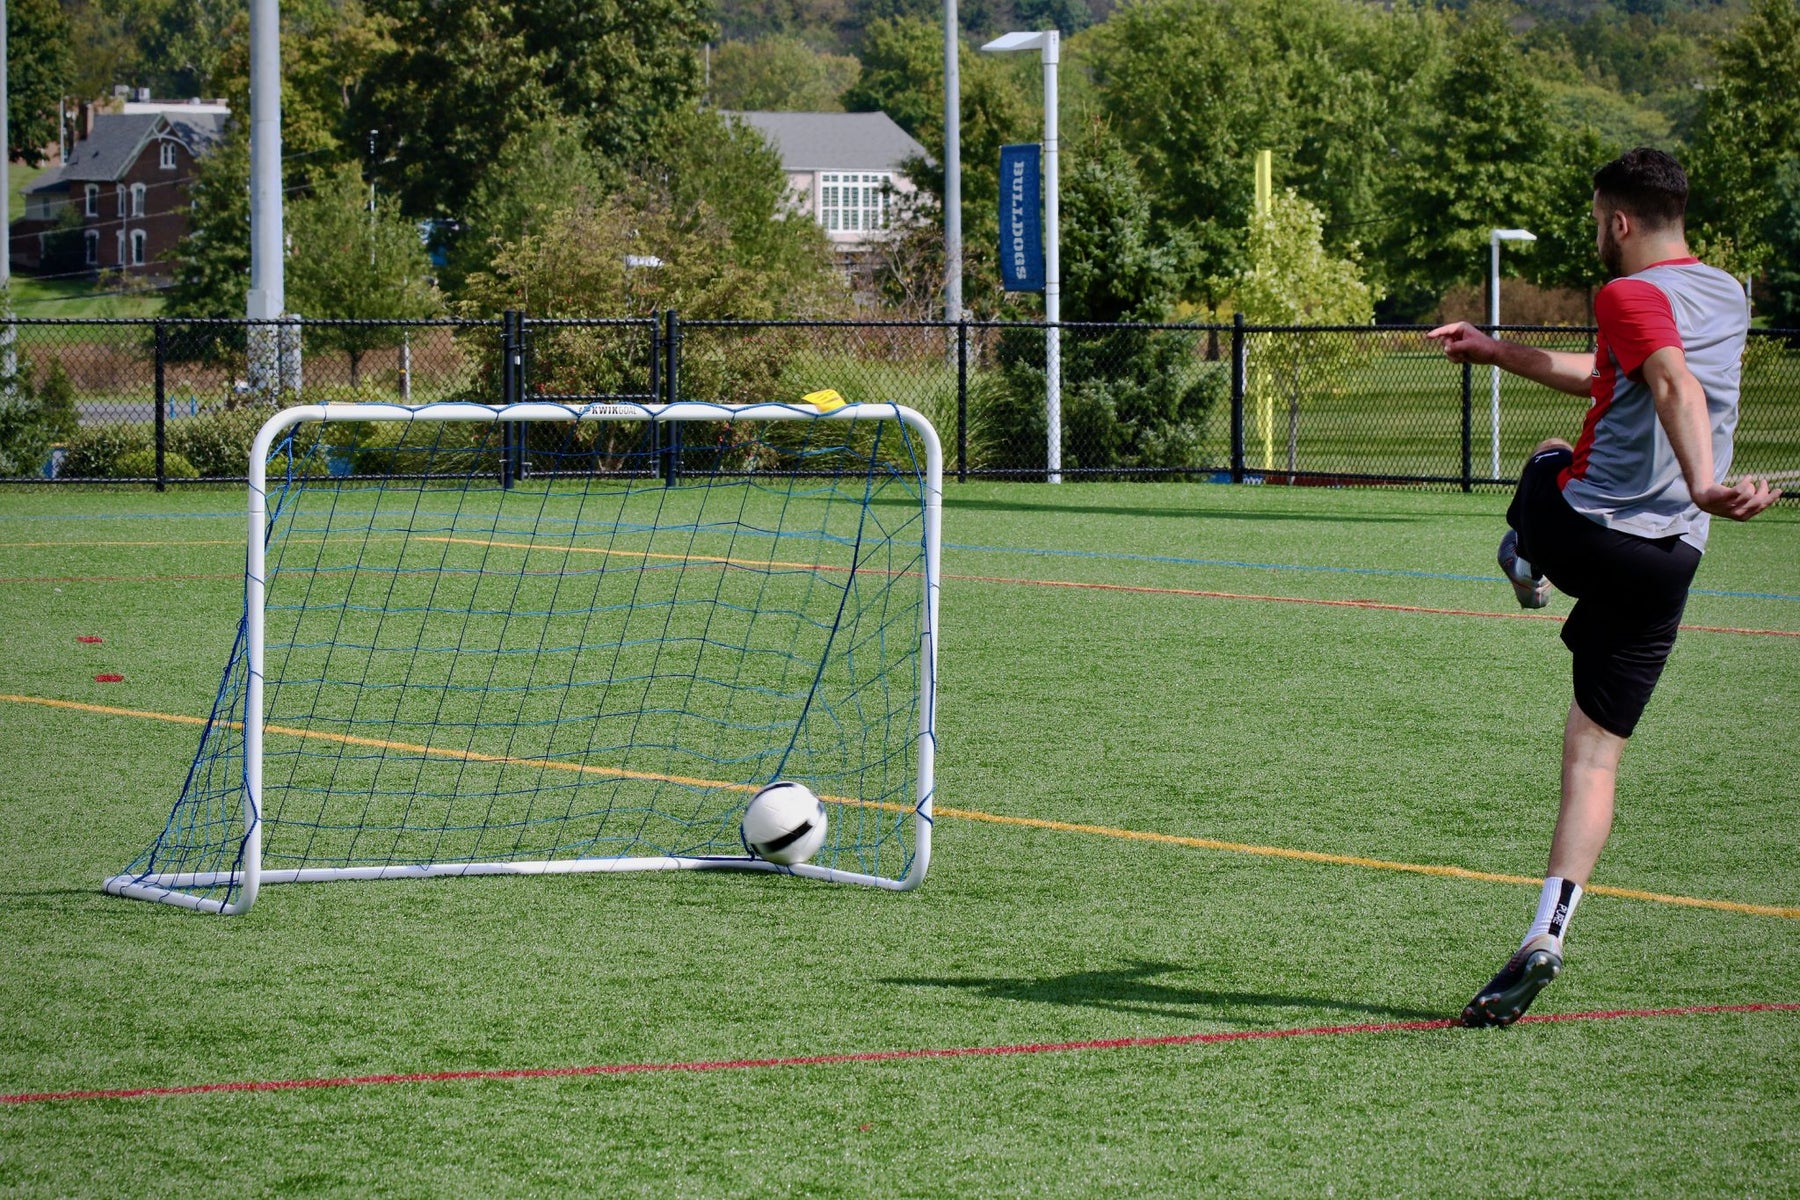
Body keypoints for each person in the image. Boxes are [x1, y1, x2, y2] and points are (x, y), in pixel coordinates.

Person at [1426, 147, 1782, 1027]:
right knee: (1593, 756)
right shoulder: (1730, 294)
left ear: (1618, 221)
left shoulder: (1626, 293)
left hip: (1591, 534)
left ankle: (1522, 558)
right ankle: (1547, 931)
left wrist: (1701, 479)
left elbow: (1671, 383)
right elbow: (1617, 374)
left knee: (1548, 459)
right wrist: (1493, 349)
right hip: (1672, 564)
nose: (1597, 236)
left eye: (1595, 221)